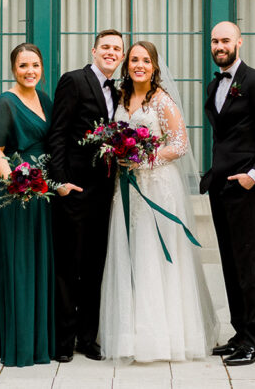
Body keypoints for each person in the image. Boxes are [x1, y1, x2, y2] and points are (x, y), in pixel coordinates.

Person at [100, 41, 219, 362]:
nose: (139, 65)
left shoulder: (162, 100)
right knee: (131, 253)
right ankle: (130, 334)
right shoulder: (121, 98)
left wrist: (143, 157)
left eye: (146, 60)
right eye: (134, 59)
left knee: (156, 256)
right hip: (126, 189)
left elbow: (180, 144)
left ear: (154, 67)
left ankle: (162, 336)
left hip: (157, 187)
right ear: (127, 66)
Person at [201, 21, 255, 366]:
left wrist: (254, 175)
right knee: (229, 261)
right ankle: (239, 333)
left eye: (226, 40)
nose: (220, 46)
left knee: (247, 261)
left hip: (244, 186)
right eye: (215, 41)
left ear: (239, 42)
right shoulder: (214, 84)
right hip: (219, 186)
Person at [0, 43, 56, 367]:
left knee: (35, 263)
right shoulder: (5, 103)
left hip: (41, 195)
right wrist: (18, 181)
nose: (30, 71)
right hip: (15, 195)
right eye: (23, 66)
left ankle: (37, 339)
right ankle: (15, 341)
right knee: (17, 263)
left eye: (35, 65)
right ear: (13, 69)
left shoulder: (45, 100)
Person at [46, 29, 125, 362]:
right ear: (93, 50)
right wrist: (60, 182)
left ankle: (87, 336)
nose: (110, 52)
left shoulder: (120, 92)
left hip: (104, 190)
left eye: (116, 49)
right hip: (74, 189)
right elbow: (59, 133)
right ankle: (63, 339)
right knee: (68, 265)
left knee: (95, 265)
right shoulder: (73, 81)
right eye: (105, 47)